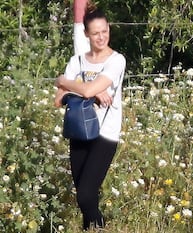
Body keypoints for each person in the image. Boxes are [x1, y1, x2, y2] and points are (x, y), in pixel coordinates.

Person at [54, 2, 126, 230]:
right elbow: (58, 100)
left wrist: (65, 82)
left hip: (106, 133)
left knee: (85, 193)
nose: (101, 37)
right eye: (95, 33)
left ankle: (101, 228)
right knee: (85, 196)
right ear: (86, 34)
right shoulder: (77, 61)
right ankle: (91, 229)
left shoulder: (116, 60)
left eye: (105, 31)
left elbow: (82, 90)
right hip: (79, 130)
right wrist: (91, 90)